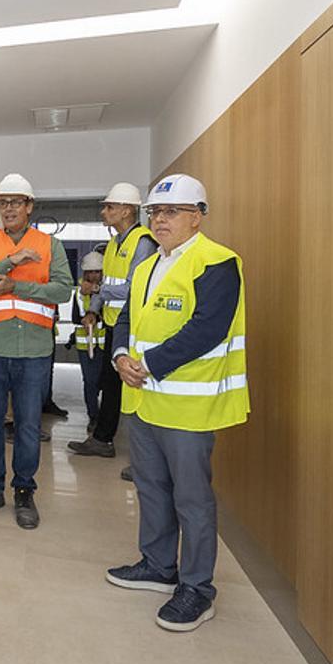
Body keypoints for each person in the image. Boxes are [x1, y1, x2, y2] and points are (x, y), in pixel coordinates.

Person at [104, 174, 249, 632]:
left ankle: (197, 588)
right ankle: (158, 565)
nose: (160, 220)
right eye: (155, 213)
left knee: (192, 498)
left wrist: (147, 363)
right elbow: (127, 317)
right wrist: (121, 354)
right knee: (151, 488)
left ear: (197, 216)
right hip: (145, 402)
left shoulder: (217, 262)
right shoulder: (148, 265)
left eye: (170, 212)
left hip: (188, 407)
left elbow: (209, 328)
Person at [0, 174, 73, 529]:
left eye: (15, 202)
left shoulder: (49, 246)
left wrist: (17, 286)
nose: (8, 209)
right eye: (2, 203)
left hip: (35, 351)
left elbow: (62, 291)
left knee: (28, 425)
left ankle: (24, 491)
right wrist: (10, 261)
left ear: (29, 206)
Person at [68, 182, 157, 461]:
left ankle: (138, 454)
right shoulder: (114, 245)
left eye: (109, 207)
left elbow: (133, 288)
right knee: (112, 386)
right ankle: (103, 439)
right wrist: (93, 309)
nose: (104, 212)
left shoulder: (143, 242)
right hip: (113, 327)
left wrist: (95, 291)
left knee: (133, 388)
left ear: (127, 210)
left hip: (133, 330)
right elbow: (108, 283)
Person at [71, 250, 107, 431]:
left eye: (97, 271)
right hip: (86, 345)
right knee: (90, 382)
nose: (94, 275)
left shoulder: (108, 289)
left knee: (104, 381)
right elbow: (74, 316)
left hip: (105, 343)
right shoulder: (79, 291)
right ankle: (93, 416)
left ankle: (105, 415)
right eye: (90, 271)